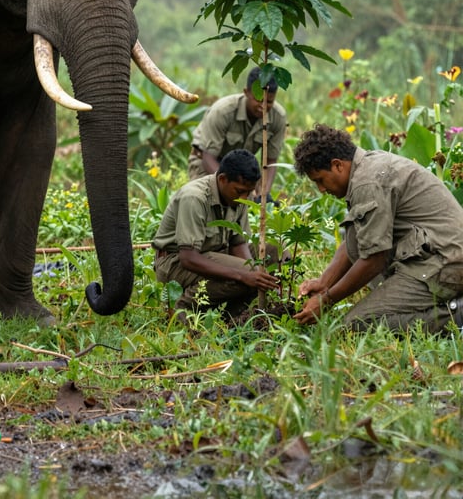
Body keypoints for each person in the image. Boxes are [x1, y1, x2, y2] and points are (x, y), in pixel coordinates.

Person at [292, 124, 463, 332]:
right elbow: (358, 237)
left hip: (445, 263)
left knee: (357, 325)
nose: (321, 189)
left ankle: (456, 315)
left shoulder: (367, 183)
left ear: (337, 165)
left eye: (320, 180)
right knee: (353, 232)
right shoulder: (367, 167)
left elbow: (374, 259)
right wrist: (324, 283)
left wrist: (327, 300)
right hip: (437, 254)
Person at [153, 149, 280, 319]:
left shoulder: (237, 197)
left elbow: (238, 243)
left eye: (248, 192)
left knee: (272, 251)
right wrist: (244, 275)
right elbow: (188, 258)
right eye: (240, 191)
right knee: (244, 274)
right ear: (222, 179)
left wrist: (254, 273)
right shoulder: (194, 197)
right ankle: (183, 308)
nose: (244, 197)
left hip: (214, 254)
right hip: (176, 263)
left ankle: (232, 315)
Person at [188, 67, 287, 201]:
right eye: (258, 99)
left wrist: (263, 194)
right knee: (206, 201)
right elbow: (208, 157)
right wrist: (231, 188)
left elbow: (270, 161)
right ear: (246, 92)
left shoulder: (278, 117)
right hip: (208, 162)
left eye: (269, 102)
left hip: (242, 170)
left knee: (250, 207)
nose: (263, 106)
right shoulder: (222, 111)